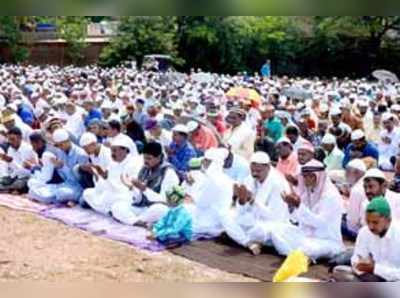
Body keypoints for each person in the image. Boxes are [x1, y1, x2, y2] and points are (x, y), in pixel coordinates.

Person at [270, 160, 345, 260]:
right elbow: (296, 220)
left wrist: (299, 206)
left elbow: (320, 223)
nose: (304, 180)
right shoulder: (308, 192)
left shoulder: (331, 196)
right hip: (306, 236)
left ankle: (299, 254)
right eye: (304, 176)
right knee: (276, 232)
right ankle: (298, 255)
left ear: (316, 176)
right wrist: (291, 206)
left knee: (306, 249)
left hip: (326, 240)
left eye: (307, 176)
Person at [223, 151, 291, 255]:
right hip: (253, 220)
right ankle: (249, 243)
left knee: (258, 231)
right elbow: (240, 211)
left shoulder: (278, 183)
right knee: (225, 216)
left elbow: (275, 217)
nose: (255, 174)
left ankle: (241, 238)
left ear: (268, 167)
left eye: (258, 171)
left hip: (272, 224)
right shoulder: (250, 179)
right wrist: (241, 201)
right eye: (252, 170)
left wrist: (253, 201)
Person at [111, 142, 180, 226]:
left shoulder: (169, 173)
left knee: (161, 209)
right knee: (117, 206)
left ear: (158, 157)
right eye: (144, 158)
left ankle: (133, 220)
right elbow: (138, 198)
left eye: (149, 158)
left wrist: (144, 189)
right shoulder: (144, 169)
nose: (145, 161)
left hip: (156, 208)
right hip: (143, 208)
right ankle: (137, 222)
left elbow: (165, 201)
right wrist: (133, 188)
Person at [334, 198, 400, 282]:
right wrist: (358, 265)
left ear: (388, 220)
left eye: (375, 222)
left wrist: (375, 268)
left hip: (394, 280)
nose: (371, 226)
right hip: (369, 277)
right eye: (368, 222)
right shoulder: (364, 232)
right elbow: (356, 258)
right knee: (339, 271)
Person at [83, 136, 143, 215]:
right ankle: (110, 211)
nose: (112, 154)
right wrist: (100, 173)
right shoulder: (113, 163)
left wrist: (112, 186)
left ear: (124, 150)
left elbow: (133, 190)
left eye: (114, 151)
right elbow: (107, 180)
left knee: (113, 201)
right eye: (111, 151)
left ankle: (113, 210)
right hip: (111, 193)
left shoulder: (134, 164)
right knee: (87, 193)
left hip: (125, 196)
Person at [28, 128, 88, 205]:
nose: (59, 147)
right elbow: (64, 178)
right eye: (57, 145)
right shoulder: (60, 151)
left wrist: (63, 167)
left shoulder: (81, 154)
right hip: (65, 184)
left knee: (61, 193)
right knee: (33, 189)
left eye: (61, 145)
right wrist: (59, 168)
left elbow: (79, 179)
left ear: (68, 141)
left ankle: (69, 199)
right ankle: (58, 199)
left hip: (78, 187)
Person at [184, 148, 234, 237]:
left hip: (210, 220)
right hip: (217, 218)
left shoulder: (213, 180)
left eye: (206, 161)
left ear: (213, 163)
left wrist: (192, 189)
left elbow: (201, 203)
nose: (203, 164)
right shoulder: (224, 178)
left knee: (183, 210)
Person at [0, 127, 38, 193]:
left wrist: (11, 161)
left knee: (20, 184)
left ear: (20, 138)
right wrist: (6, 176)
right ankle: (11, 188)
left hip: (27, 177)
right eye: (9, 140)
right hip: (15, 176)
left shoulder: (28, 149)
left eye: (12, 139)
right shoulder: (10, 149)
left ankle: (10, 189)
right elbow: (10, 169)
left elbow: (27, 172)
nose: (10, 142)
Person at [341, 159, 367, 239]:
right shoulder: (369, 183)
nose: (345, 174)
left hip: (360, 233)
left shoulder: (356, 190)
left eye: (347, 171)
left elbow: (352, 222)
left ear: (356, 173)